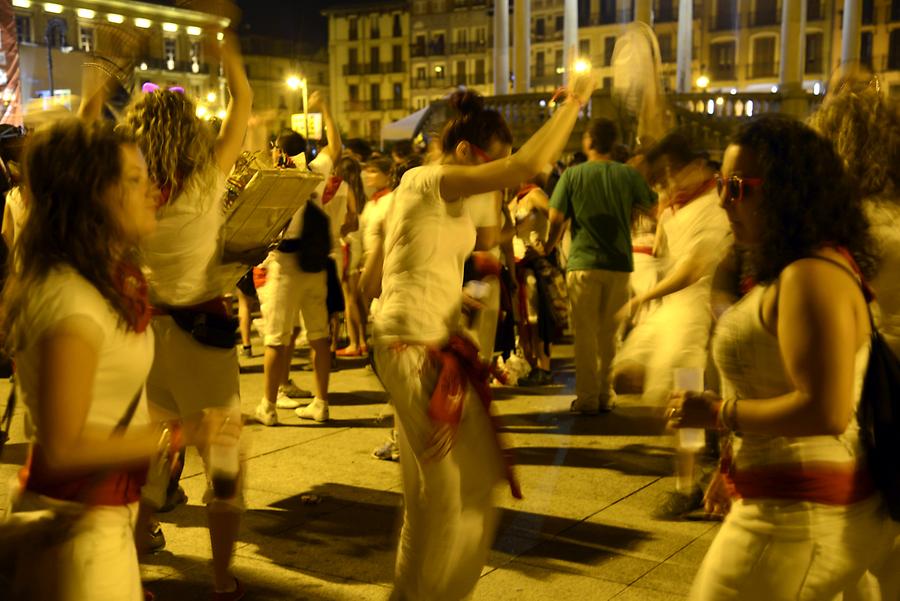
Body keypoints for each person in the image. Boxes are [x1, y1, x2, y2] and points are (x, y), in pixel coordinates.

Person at [369, 75, 595, 600]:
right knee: (453, 493)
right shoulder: (425, 179)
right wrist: (573, 105)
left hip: (435, 340)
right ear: (466, 151)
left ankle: (410, 595)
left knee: (436, 497)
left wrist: (473, 284)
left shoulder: (459, 192)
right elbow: (523, 168)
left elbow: (484, 244)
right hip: (407, 343)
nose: (495, 180)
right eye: (489, 166)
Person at [668, 114, 893, 600]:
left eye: (738, 187)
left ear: (789, 191)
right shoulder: (797, 269)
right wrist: (733, 467)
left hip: (798, 518)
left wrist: (718, 414)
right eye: (721, 185)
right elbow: (772, 382)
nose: (723, 200)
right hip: (785, 507)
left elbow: (825, 409)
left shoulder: (812, 276)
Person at [0, 118, 225, 601]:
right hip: (76, 533)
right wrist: (182, 432)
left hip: (104, 524)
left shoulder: (98, 283)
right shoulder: (70, 299)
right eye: (136, 180)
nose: (154, 191)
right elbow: (63, 448)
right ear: (94, 194)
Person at [123, 31, 252, 600]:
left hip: (152, 339)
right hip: (205, 338)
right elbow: (240, 108)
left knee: (152, 459)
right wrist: (230, 61)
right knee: (224, 465)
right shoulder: (206, 182)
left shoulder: (131, 195)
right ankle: (221, 580)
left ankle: (130, 570)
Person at [545, 118, 657, 414]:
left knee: (584, 334)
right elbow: (653, 206)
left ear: (589, 142)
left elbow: (556, 219)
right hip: (620, 262)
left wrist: (547, 245)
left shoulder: (572, 175)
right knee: (611, 334)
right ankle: (606, 394)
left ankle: (587, 398)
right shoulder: (628, 175)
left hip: (583, 261)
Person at [253, 93, 343, 426]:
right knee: (318, 335)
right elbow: (336, 146)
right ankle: (321, 402)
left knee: (276, 338)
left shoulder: (274, 176)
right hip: (314, 263)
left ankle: (269, 405)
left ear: (279, 150)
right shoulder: (314, 170)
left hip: (284, 265)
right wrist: (326, 109)